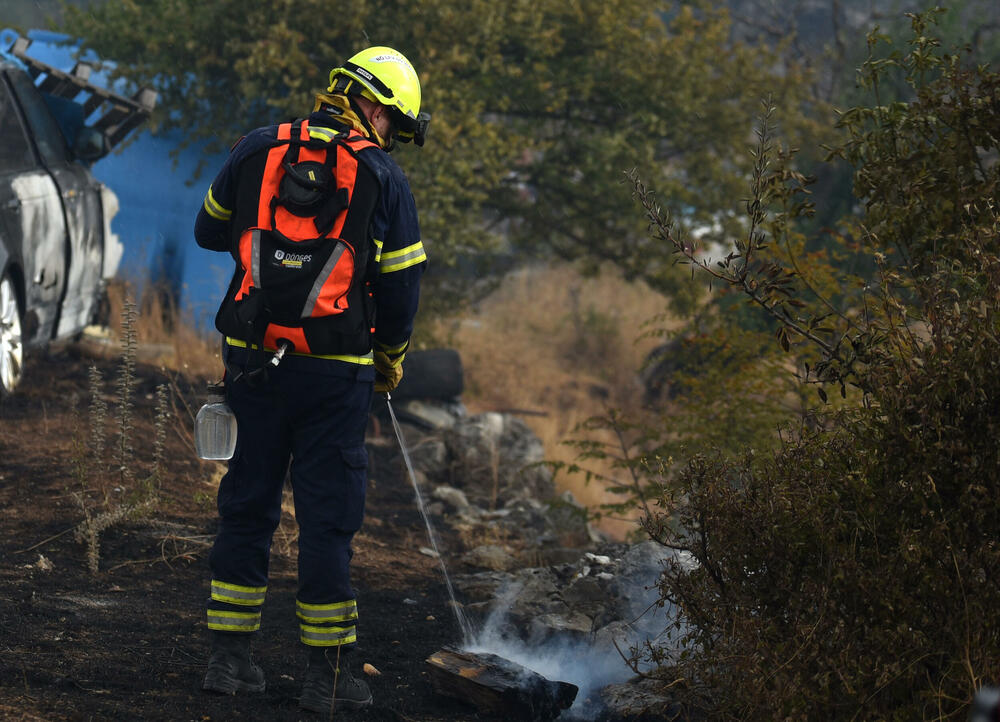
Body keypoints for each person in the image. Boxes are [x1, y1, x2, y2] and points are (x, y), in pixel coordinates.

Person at [192, 46, 429, 712]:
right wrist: (390, 357)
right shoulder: (381, 174)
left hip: (251, 359)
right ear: (374, 107)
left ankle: (228, 661)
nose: (391, 137)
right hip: (335, 373)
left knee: (247, 504)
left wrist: (270, 233)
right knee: (327, 519)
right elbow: (401, 288)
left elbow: (208, 231)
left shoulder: (256, 147)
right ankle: (327, 677)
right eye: (394, 123)